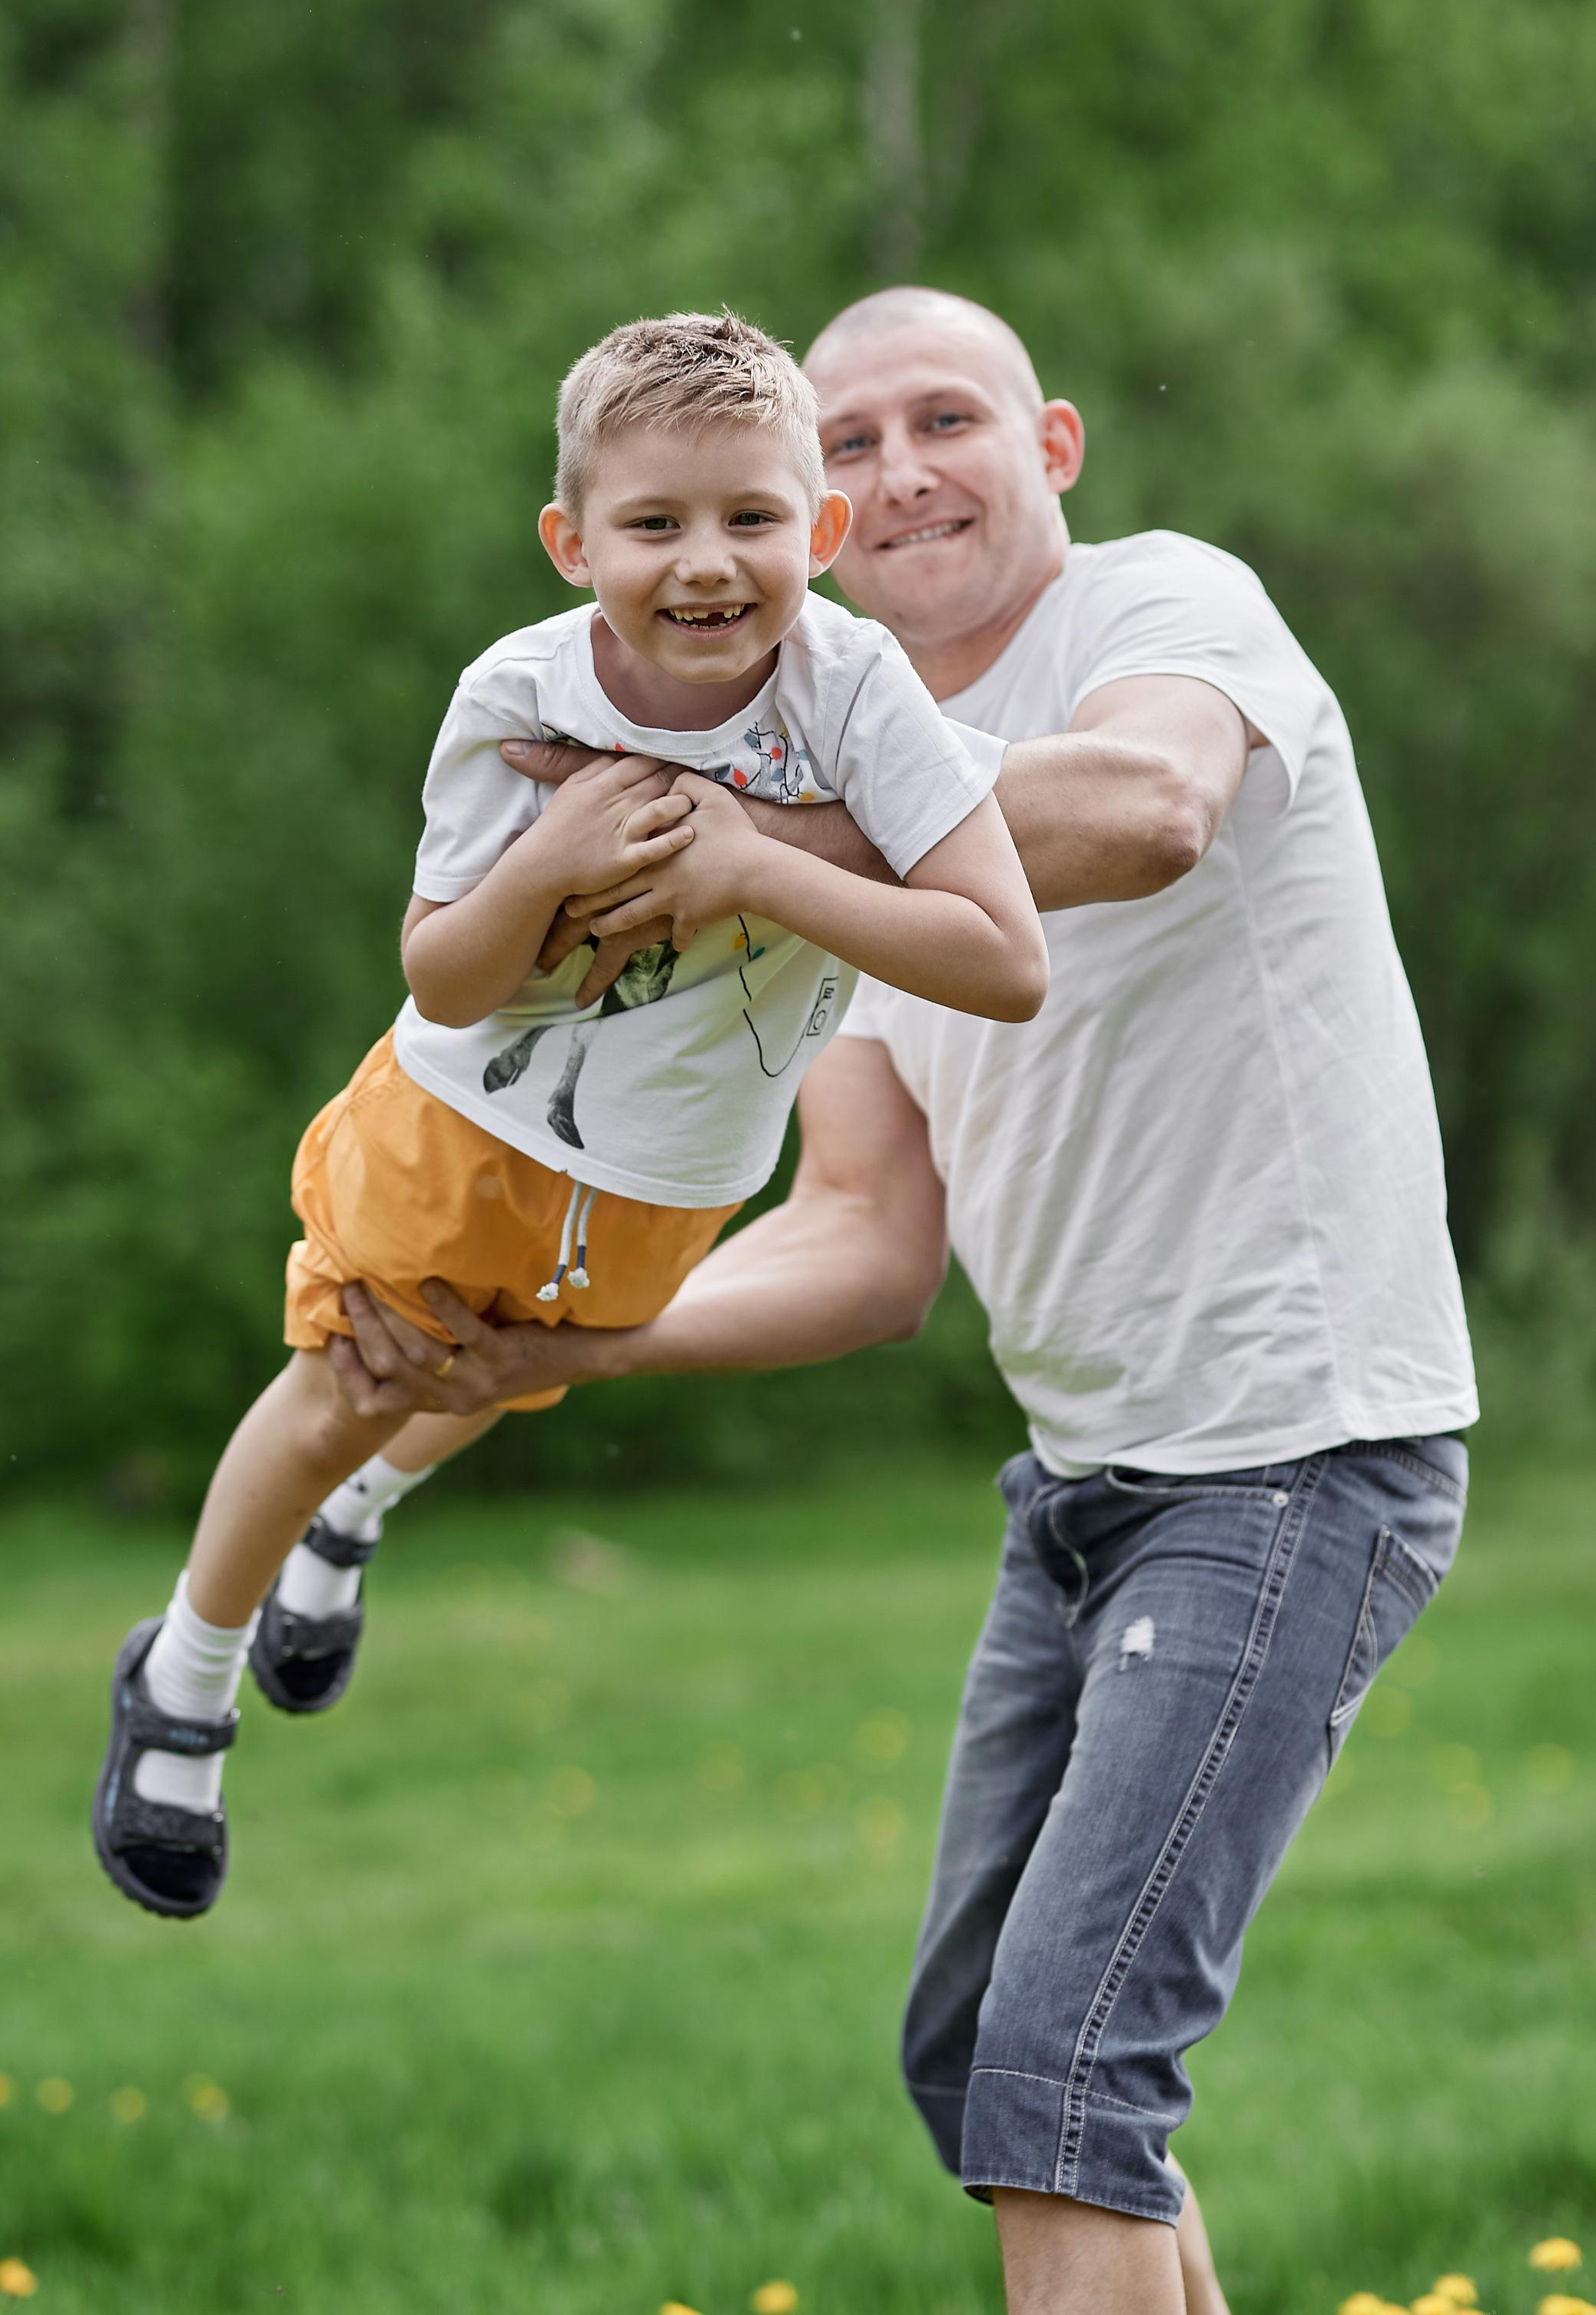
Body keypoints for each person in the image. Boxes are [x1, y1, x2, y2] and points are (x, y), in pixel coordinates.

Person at [327, 287, 1479, 2315]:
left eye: (943, 418)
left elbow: (1146, 812)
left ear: (1052, 444)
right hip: (1091, 1482)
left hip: (1298, 1450)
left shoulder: (1163, 608)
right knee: (981, 2062)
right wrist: (572, 1347)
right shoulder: (825, 759)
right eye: (846, 443)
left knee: (1066, 2073)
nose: (898, 467)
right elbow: (863, 1234)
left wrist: (744, 841)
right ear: (814, 514)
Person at [91, 307, 1046, 1923]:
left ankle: (360, 1516)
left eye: (751, 518)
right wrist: (544, 863)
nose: (706, 564)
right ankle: (184, 1673)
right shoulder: (518, 692)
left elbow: (1006, 958)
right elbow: (445, 975)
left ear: (817, 529)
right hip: (464, 1122)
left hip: (678, 1175)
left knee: (506, 1366)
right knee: (351, 1379)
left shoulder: (855, 683)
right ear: (570, 539)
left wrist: (755, 862)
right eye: (654, 522)